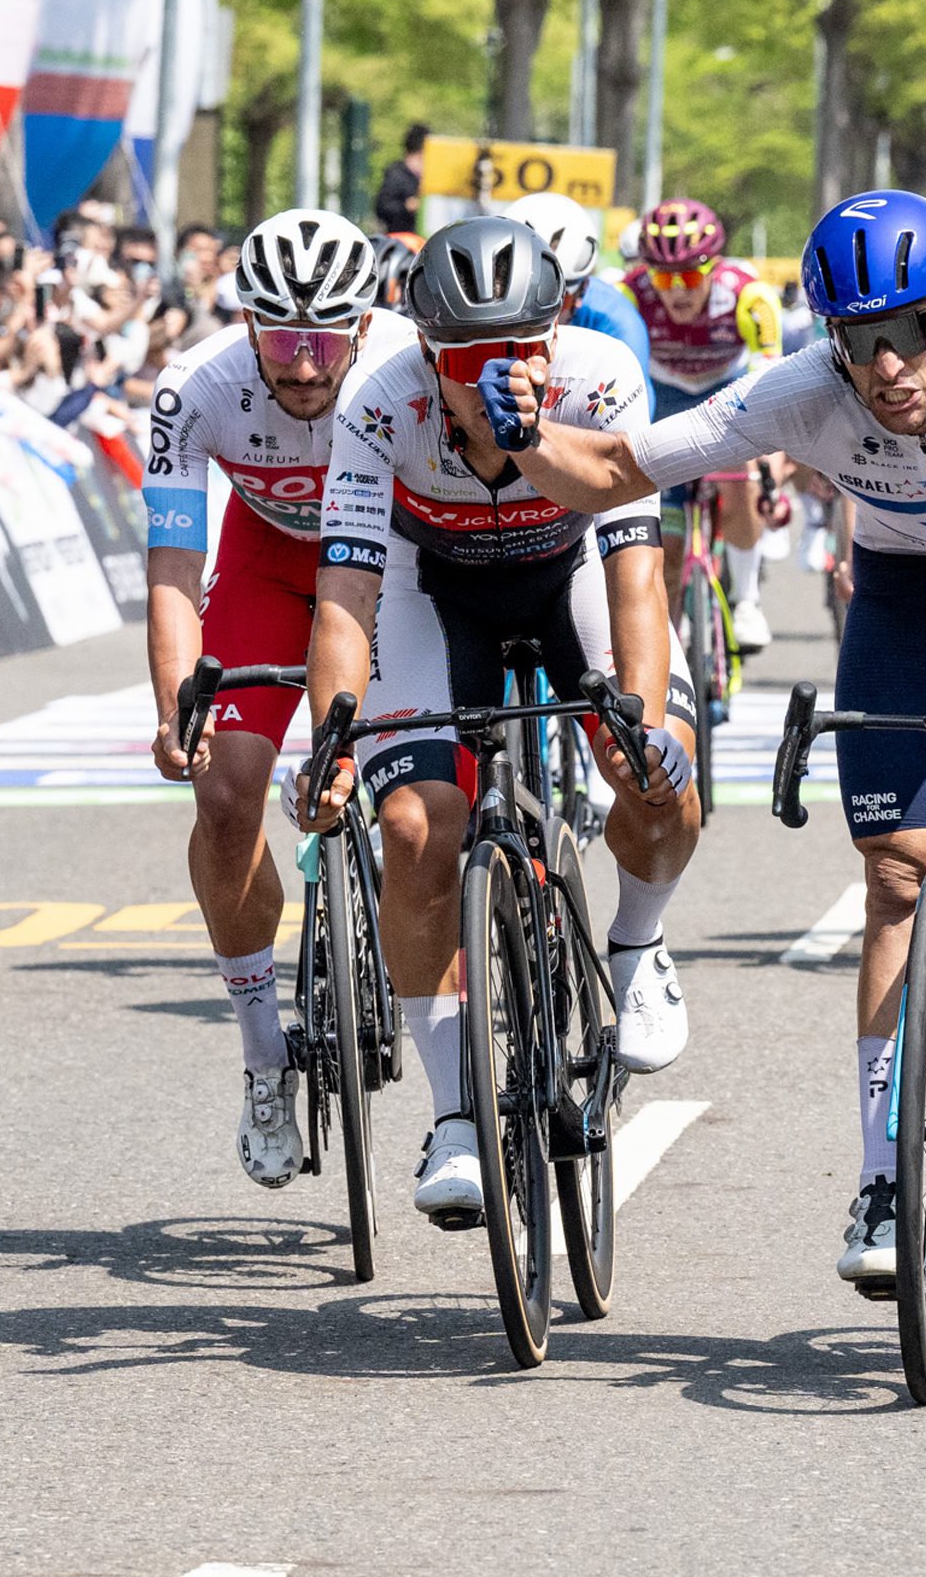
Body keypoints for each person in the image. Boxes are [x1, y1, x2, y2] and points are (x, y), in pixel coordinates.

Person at [492, 189, 926, 1289]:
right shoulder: (803, 391)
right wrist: (523, 430)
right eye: (858, 339)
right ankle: (883, 1177)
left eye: (909, 330)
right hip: (908, 594)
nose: (885, 367)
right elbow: (615, 472)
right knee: (897, 879)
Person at [297, 215, 702, 1225]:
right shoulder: (378, 399)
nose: (498, 376)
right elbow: (345, 591)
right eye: (471, 358)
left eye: (520, 351)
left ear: (554, 336)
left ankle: (638, 941)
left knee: (662, 776)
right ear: (428, 352)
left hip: (565, 571)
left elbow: (637, 576)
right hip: (429, 589)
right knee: (414, 826)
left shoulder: (600, 376)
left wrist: (641, 724)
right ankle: (455, 1117)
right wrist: (332, 740)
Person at [146, 209, 416, 1187]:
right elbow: (175, 563)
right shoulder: (196, 388)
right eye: (281, 337)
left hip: (391, 570)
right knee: (223, 797)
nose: (303, 366)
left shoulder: (403, 374)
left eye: (324, 339)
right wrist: (178, 699)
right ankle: (264, 1052)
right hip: (262, 566)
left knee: (412, 780)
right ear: (247, 322)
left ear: (366, 322)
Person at [621, 197, 785, 648]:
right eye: (664, 277)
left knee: (741, 479)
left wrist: (765, 454)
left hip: (727, 388)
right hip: (664, 395)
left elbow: (770, 373)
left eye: (691, 276)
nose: (676, 290)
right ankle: (673, 642)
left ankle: (747, 600)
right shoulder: (629, 294)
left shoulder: (748, 294)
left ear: (713, 268)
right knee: (667, 548)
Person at [505, 190, 650, 376]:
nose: (536, 317)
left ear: (582, 292)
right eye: (519, 299)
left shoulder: (619, 325)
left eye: (557, 302)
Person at [373, 124, 428, 236]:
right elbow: (382, 207)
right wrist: (406, 206)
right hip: (402, 239)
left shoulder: (428, 177)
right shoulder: (396, 174)